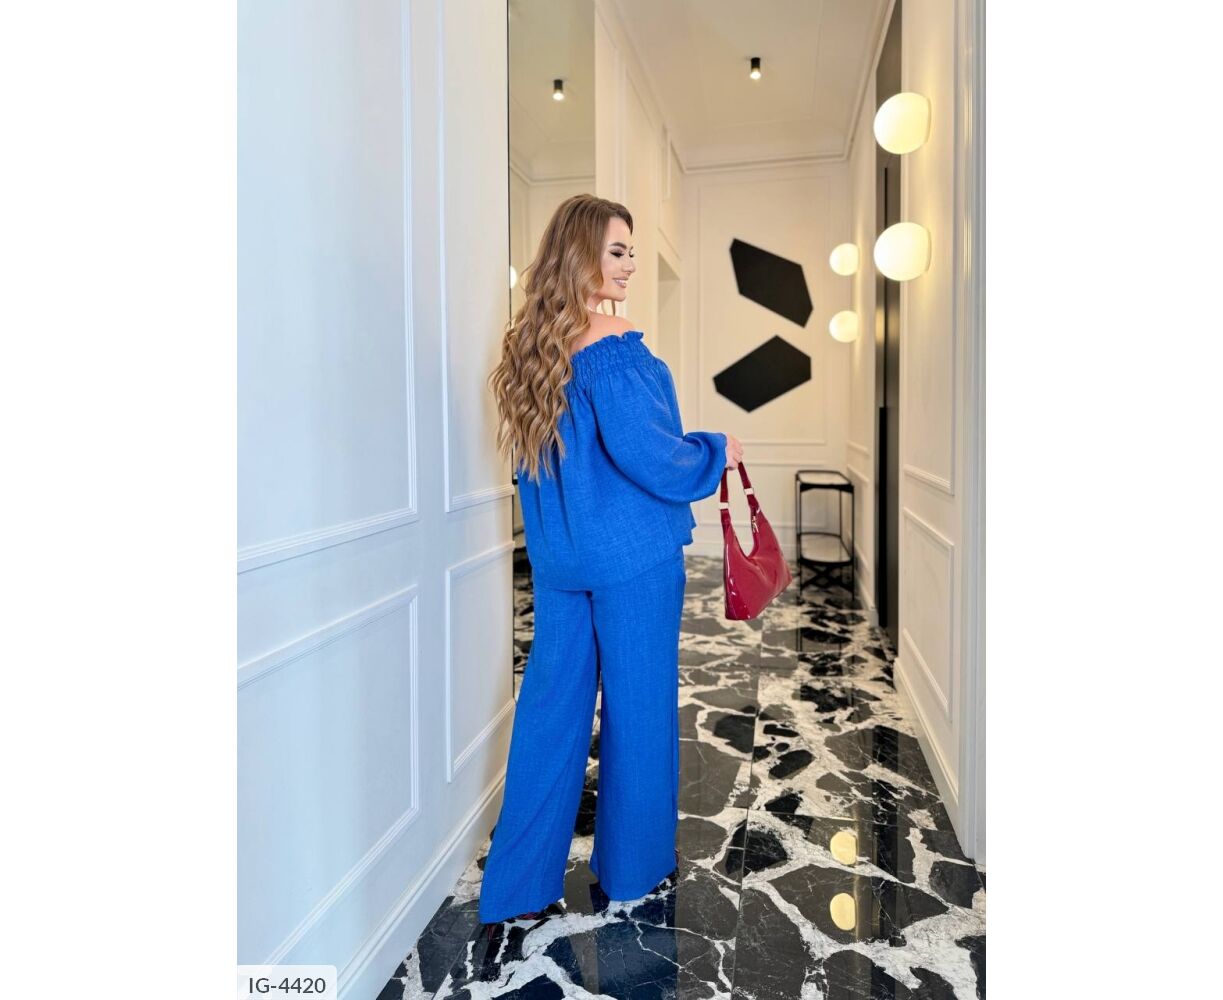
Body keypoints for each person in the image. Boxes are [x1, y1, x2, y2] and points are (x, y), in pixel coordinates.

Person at [480, 193, 743, 926]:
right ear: (581, 255)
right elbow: (652, 457)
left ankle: (517, 883)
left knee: (549, 712)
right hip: (632, 560)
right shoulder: (616, 346)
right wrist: (715, 452)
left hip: (561, 563)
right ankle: (632, 867)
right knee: (638, 706)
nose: (628, 265)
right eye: (617, 250)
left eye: (631, 252)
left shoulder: (531, 349)